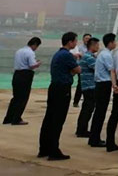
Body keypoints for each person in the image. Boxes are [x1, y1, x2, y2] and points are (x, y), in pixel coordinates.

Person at [38, 31, 81, 160]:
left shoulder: (58, 54)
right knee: (58, 120)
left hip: (54, 87)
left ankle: (44, 148)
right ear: (70, 42)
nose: (76, 43)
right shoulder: (67, 55)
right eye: (75, 41)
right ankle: (53, 150)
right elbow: (78, 70)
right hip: (62, 89)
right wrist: (72, 69)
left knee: (49, 118)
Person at [3, 36, 41, 125]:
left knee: (15, 98)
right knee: (23, 98)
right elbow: (32, 65)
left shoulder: (19, 51)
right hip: (25, 75)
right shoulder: (30, 53)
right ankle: (16, 119)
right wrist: (38, 63)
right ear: (35, 44)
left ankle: (8, 118)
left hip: (17, 74)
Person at [89, 32, 117, 147]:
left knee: (99, 112)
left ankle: (93, 138)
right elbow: (112, 71)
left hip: (100, 84)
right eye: (114, 41)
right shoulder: (106, 55)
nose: (115, 43)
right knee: (100, 112)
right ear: (110, 43)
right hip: (103, 85)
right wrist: (115, 85)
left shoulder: (103, 54)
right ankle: (95, 139)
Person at [75, 37, 100, 137]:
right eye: (97, 45)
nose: (98, 47)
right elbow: (98, 68)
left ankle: (81, 129)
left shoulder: (88, 56)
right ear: (92, 46)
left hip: (87, 85)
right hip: (90, 86)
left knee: (87, 108)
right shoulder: (89, 57)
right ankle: (82, 130)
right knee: (88, 108)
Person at [73, 33, 92, 107]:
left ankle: (86, 101)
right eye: (86, 38)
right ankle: (76, 102)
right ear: (83, 39)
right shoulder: (79, 48)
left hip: (89, 69)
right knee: (80, 85)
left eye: (89, 38)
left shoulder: (92, 48)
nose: (87, 40)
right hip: (81, 68)